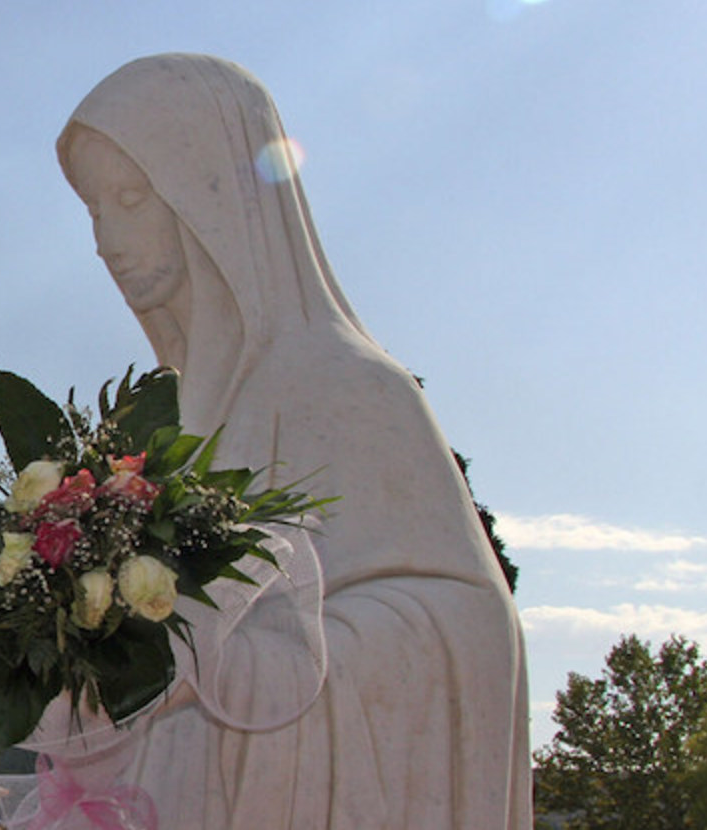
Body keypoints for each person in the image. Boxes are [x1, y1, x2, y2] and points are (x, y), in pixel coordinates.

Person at [42, 53, 532, 828]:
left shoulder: (347, 386)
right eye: (95, 210)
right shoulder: (181, 423)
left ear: (216, 198)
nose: (107, 239)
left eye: (130, 199)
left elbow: (470, 627)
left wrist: (237, 666)